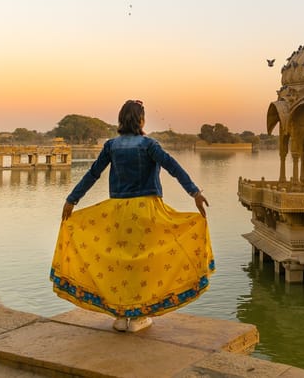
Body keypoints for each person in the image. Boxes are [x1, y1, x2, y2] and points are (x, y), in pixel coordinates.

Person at [50, 99, 214, 333]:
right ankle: (138, 317)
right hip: (146, 210)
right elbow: (173, 167)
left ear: (121, 120)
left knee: (119, 263)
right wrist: (195, 193)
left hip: (118, 212)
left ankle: (119, 316)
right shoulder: (149, 145)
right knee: (143, 264)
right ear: (141, 120)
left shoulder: (111, 146)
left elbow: (93, 173)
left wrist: (72, 199)